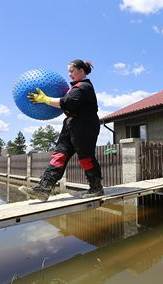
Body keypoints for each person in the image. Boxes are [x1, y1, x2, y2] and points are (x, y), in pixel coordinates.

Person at [23, 59, 104, 201]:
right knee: (59, 155)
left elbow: (67, 103)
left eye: (72, 71)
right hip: (71, 124)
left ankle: (96, 188)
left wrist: (44, 99)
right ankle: (44, 189)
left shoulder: (84, 87)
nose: (69, 74)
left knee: (86, 156)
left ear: (81, 71)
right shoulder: (74, 88)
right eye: (68, 72)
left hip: (85, 124)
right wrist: (47, 99)